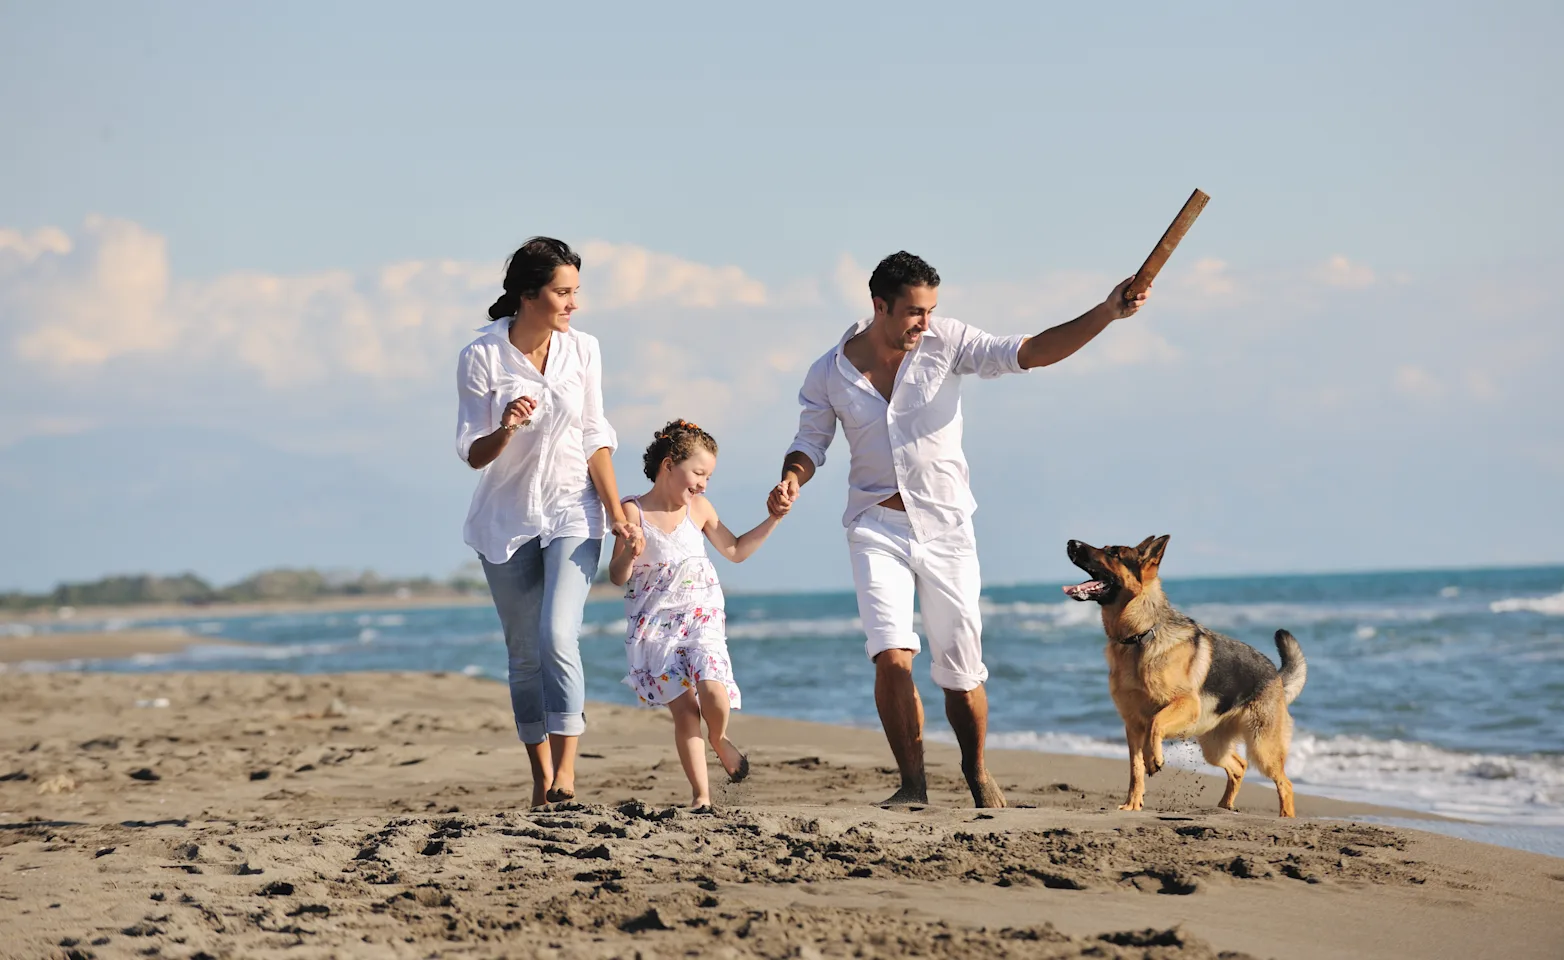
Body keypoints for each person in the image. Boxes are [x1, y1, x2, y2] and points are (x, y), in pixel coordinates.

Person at [767, 251, 1150, 808]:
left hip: (947, 528)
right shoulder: (830, 370)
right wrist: (792, 477)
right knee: (891, 652)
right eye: (914, 312)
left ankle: (976, 771)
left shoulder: (948, 342)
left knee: (960, 670)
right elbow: (810, 440)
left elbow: (1032, 352)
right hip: (876, 525)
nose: (925, 321)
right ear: (880, 306)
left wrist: (1107, 311)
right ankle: (913, 783)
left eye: (931, 309)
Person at [455, 236, 644, 808]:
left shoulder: (583, 350)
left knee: (558, 634)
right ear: (528, 294)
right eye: (563, 293)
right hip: (505, 519)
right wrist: (507, 427)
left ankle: (566, 776)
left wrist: (614, 512)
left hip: (572, 508)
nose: (573, 304)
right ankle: (540, 778)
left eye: (575, 292)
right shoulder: (482, 355)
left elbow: (594, 433)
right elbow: (471, 450)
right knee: (524, 653)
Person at [607, 419, 782, 811]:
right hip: (656, 628)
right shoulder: (632, 511)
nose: (704, 484)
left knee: (713, 686)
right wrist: (629, 554)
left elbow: (734, 550)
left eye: (708, 476)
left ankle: (718, 739)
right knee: (685, 712)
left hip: (702, 618)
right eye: (699, 473)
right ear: (669, 465)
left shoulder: (699, 508)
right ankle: (701, 796)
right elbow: (617, 576)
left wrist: (774, 519)